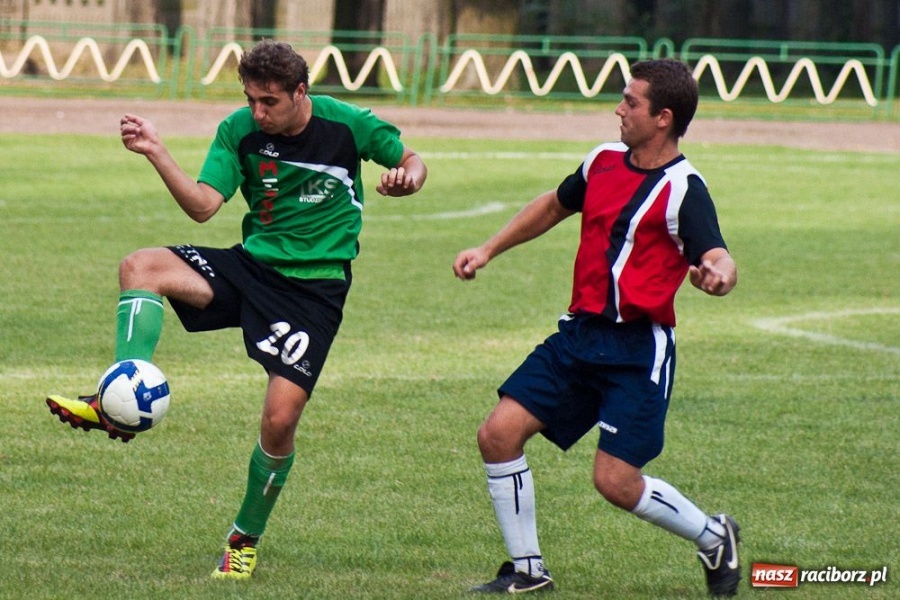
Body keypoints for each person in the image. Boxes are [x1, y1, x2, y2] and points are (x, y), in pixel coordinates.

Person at [46, 39, 427, 580]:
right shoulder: (239, 130)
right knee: (141, 267)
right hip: (251, 268)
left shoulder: (347, 125)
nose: (258, 112)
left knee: (280, 421)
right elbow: (204, 207)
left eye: (269, 101)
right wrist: (156, 151)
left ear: (301, 92)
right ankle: (119, 393)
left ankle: (243, 539)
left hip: (313, 291)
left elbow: (412, 160)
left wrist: (408, 180)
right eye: (250, 99)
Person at [452, 58, 740, 596]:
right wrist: (488, 249)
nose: (618, 109)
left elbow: (718, 255)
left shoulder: (684, 188)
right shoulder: (603, 161)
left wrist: (719, 277)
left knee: (615, 481)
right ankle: (528, 571)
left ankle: (713, 535)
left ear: (663, 117)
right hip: (579, 337)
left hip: (636, 352)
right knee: (498, 434)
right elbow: (553, 206)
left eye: (631, 101)